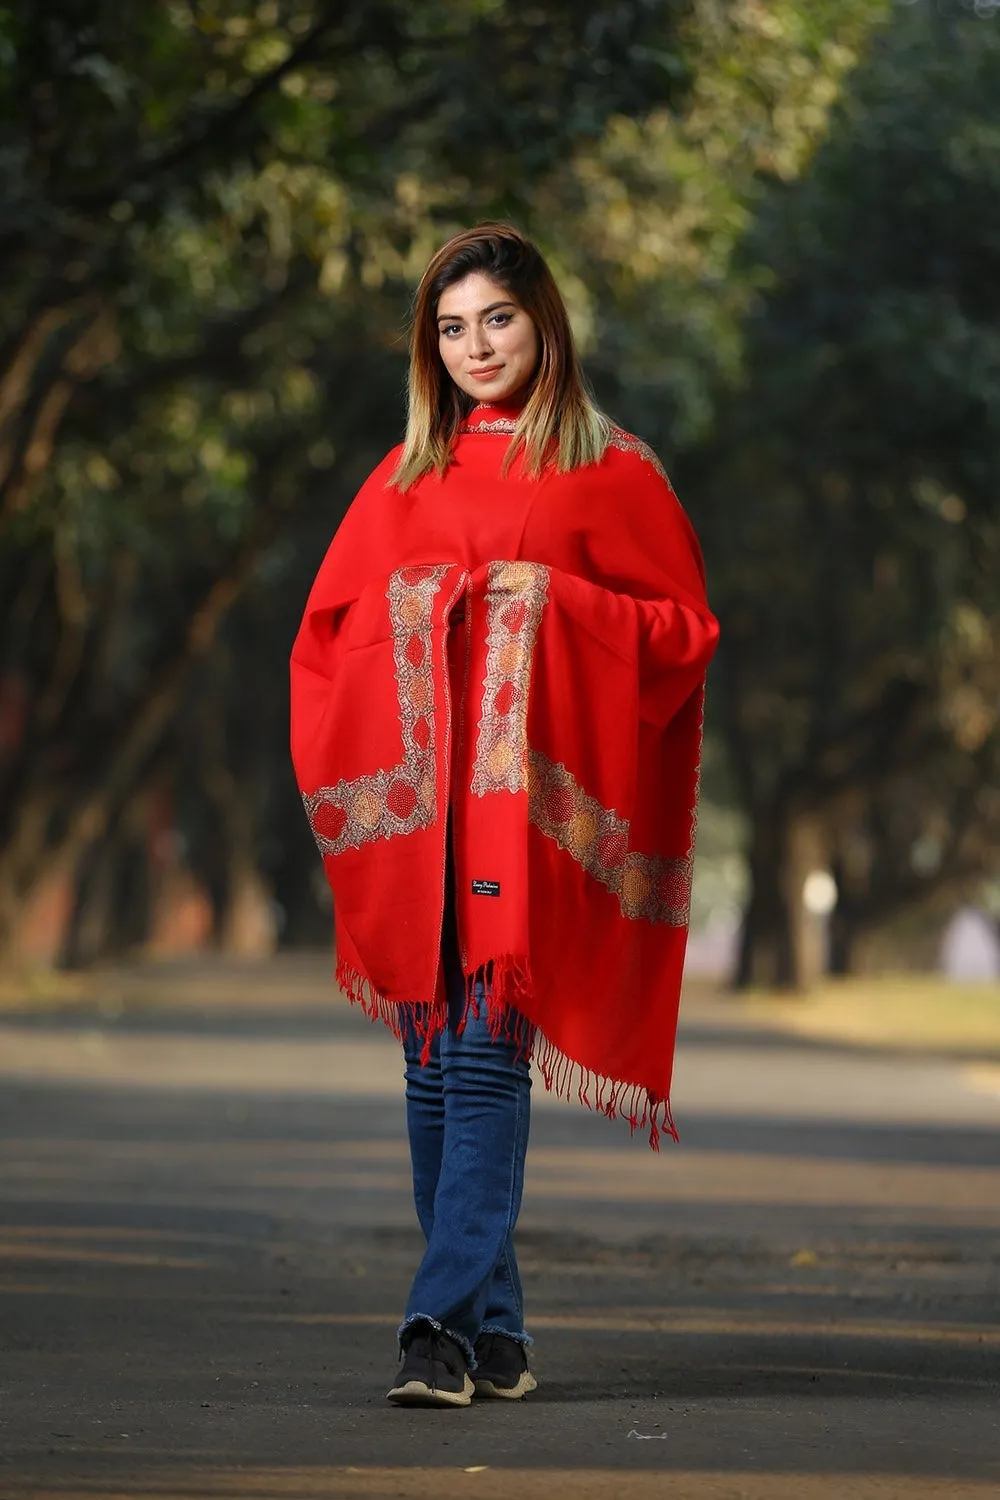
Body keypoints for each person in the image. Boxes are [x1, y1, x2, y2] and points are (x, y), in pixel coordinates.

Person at [290, 223, 719, 1409]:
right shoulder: (403, 477)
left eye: (498, 320)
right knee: (432, 1073)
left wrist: (556, 597)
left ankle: (429, 1327)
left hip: (516, 832)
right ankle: (501, 1339)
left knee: (479, 1069)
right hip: (422, 831)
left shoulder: (610, 469)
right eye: (451, 326)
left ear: (545, 326)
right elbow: (329, 635)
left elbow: (684, 633)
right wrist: (425, 604)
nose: (475, 345)